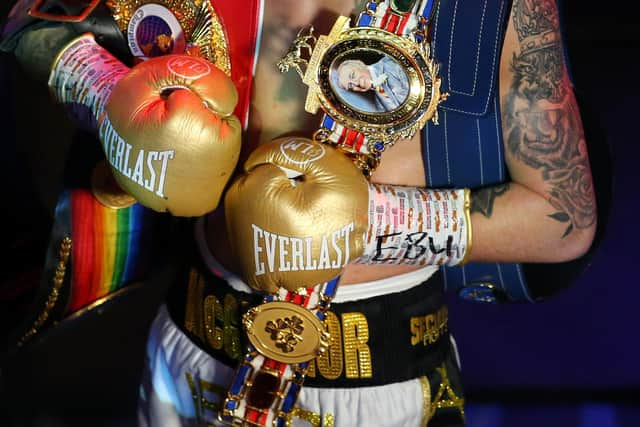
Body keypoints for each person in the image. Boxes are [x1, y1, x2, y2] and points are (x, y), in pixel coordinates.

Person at [0, 0, 597, 426]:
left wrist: (364, 222)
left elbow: (563, 220)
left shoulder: (491, 9)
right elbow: (33, 18)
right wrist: (112, 96)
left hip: (377, 377)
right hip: (189, 345)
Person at [333, 56, 409, 112]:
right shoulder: (379, 104)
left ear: (360, 65)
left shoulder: (389, 64)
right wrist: (377, 86)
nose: (356, 83)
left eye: (353, 75)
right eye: (350, 86)